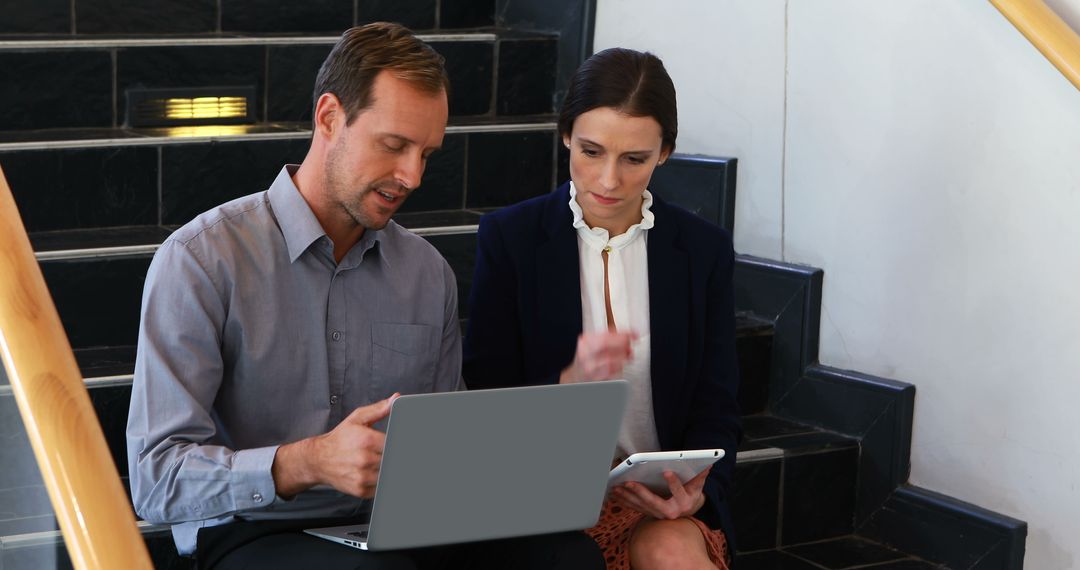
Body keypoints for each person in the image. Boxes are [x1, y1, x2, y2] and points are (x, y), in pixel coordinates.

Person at [127, 22, 602, 570]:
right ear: (329, 118)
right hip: (253, 530)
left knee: (570, 557)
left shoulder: (427, 273)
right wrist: (305, 462)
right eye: (394, 145)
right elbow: (156, 479)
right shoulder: (202, 260)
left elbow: (448, 455)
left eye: (426, 153)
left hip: (399, 527)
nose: (412, 176)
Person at [463, 47, 741, 570]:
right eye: (591, 151)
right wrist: (565, 389)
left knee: (669, 546)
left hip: (661, 499)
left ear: (665, 153)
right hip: (544, 494)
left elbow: (717, 405)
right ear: (566, 134)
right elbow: (484, 400)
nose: (608, 181)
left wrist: (698, 493)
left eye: (634, 159)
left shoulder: (702, 250)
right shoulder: (512, 239)